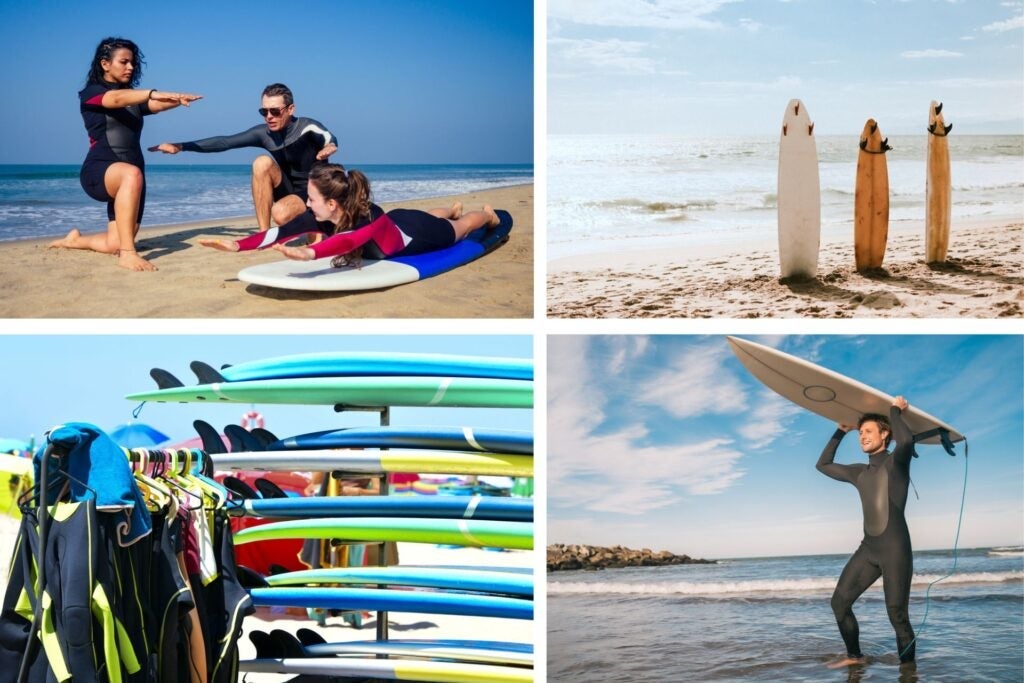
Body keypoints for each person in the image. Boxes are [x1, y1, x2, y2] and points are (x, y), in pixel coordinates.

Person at [49, 37, 202, 271]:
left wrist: (177, 100)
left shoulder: (133, 98)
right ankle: (128, 255)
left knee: (114, 243)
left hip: (132, 179)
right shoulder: (91, 93)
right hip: (100, 172)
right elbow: (116, 99)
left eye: (133, 63)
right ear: (105, 64)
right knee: (131, 177)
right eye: (124, 62)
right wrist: (153, 92)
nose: (130, 67)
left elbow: (153, 105)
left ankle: (74, 241)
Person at [197, 162, 500, 266]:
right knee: (430, 213)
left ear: (332, 204)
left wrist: (310, 253)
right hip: (399, 221)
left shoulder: (366, 221)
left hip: (416, 237)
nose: (306, 201)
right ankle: (450, 207)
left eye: (311, 197)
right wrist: (237, 246)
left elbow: (345, 242)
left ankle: (486, 215)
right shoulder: (318, 216)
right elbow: (278, 233)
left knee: (457, 227)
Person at [816, 396, 918, 670]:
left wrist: (895, 411)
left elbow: (907, 441)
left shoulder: (897, 461)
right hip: (869, 549)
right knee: (839, 603)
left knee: (897, 616)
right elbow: (822, 465)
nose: (862, 437)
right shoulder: (859, 472)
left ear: (885, 434)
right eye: (860, 433)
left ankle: (908, 671)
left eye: (868, 431)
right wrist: (841, 430)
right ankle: (855, 655)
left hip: (895, 549)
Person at [150, 83, 337, 232]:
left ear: (290, 109)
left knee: (280, 214)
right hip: (288, 188)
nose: (269, 117)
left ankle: (317, 224)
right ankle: (264, 234)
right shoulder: (264, 134)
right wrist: (180, 146)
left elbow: (329, 138)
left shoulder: (307, 127)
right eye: (264, 112)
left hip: (314, 191)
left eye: (275, 111)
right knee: (261, 162)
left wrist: (330, 147)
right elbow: (224, 142)